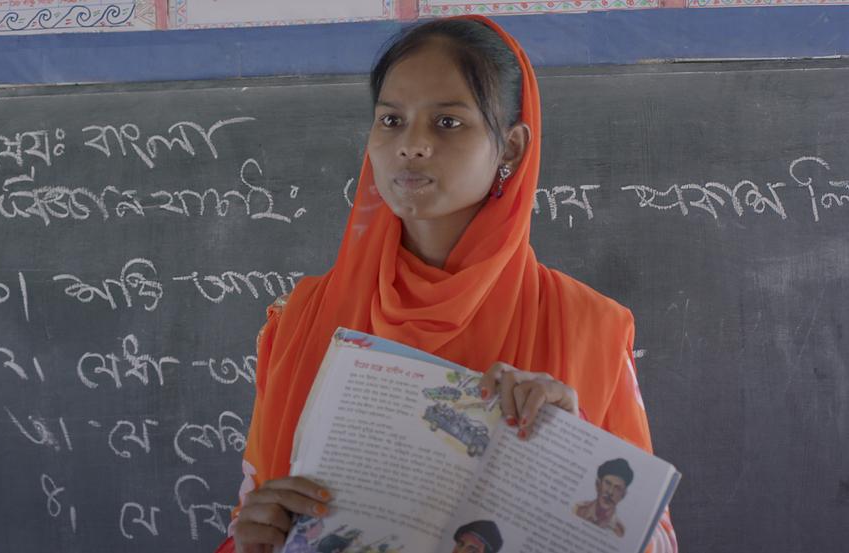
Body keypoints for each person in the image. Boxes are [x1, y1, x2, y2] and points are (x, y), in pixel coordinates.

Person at [215, 15, 678, 553]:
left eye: (448, 122)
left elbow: (657, 542)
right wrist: (255, 535)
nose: (411, 145)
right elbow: (251, 519)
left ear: (511, 148)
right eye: (391, 120)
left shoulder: (589, 326)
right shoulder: (301, 319)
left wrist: (573, 453)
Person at [573, 458, 634, 537]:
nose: (610, 492)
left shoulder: (618, 532)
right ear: (598, 484)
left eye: (617, 488)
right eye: (608, 483)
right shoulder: (577, 510)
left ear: (623, 495)